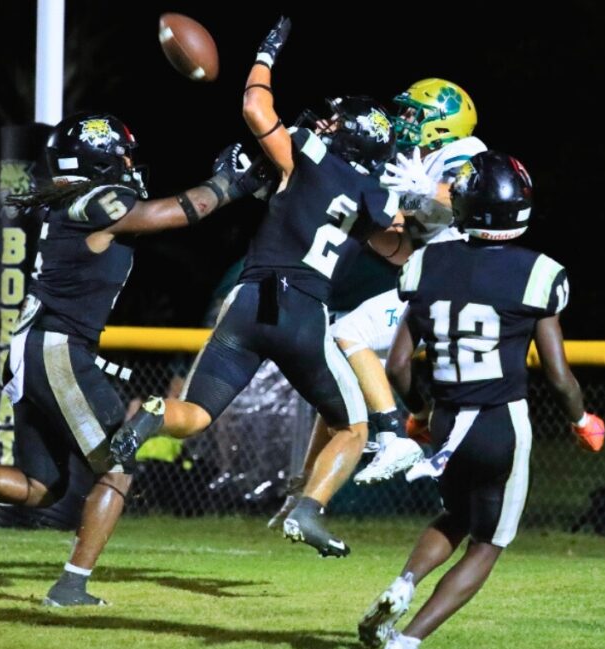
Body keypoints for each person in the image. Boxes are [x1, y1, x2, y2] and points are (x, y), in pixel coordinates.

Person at [0, 112, 263, 606]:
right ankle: (71, 586)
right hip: (56, 346)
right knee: (118, 467)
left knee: (43, 487)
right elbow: (173, 213)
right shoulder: (95, 199)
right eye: (120, 154)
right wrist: (228, 183)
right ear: (98, 160)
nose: (128, 163)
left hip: (32, 347)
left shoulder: (72, 201)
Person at [108, 17, 411, 557]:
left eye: (337, 122)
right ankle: (309, 511)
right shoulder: (367, 189)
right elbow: (394, 240)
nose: (326, 125)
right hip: (300, 312)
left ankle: (152, 414)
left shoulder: (305, 155)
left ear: (350, 135)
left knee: (195, 417)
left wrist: (266, 54)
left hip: (247, 301)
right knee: (353, 427)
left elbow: (254, 109)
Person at [356, 150, 605, 649]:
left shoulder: (427, 263)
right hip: (499, 425)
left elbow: (399, 363)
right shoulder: (538, 272)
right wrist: (582, 419)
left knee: (456, 513)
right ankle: (407, 642)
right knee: (488, 542)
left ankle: (403, 585)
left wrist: (421, 415)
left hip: (448, 421)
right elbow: (558, 375)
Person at [268, 78, 488, 528]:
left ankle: (393, 433)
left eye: (415, 115)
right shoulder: (418, 162)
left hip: (460, 282)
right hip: (430, 277)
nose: (404, 122)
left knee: (347, 334)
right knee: (336, 378)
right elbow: (402, 247)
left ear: (443, 124)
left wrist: (415, 195)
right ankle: (309, 485)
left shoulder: (464, 151)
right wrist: (360, 220)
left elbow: (456, 196)